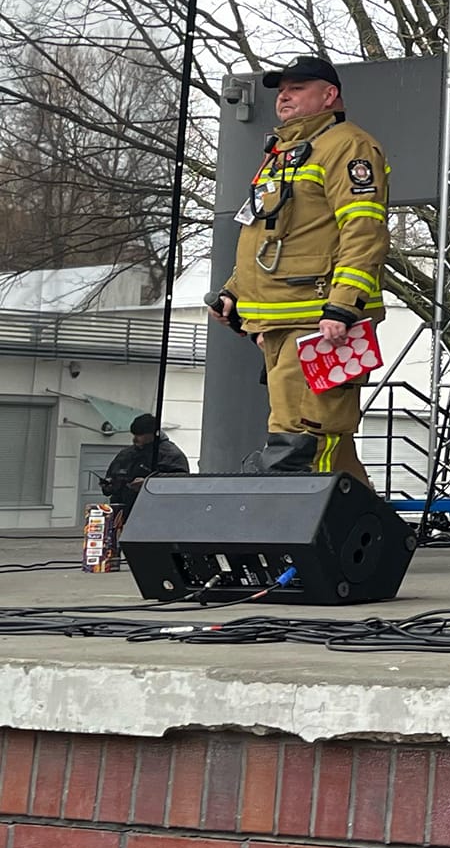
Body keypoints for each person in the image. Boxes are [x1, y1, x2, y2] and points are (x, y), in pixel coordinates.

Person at [208, 54, 390, 482]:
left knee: (304, 438)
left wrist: (342, 306)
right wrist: (235, 293)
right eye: (282, 90)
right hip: (281, 320)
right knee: (327, 445)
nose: (284, 96)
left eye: (297, 88)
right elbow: (265, 234)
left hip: (319, 321)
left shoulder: (348, 146)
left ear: (329, 95)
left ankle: (309, 521)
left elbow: (364, 229)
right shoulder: (281, 153)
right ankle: (362, 522)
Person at [99, 414, 190, 531]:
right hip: (122, 517)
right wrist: (109, 485)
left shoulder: (170, 455)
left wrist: (148, 484)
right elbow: (113, 477)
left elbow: (181, 482)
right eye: (134, 435)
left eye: (140, 435)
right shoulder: (126, 454)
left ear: (153, 434)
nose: (135, 439)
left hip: (155, 518)